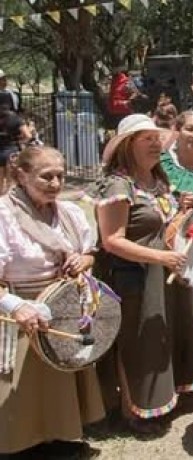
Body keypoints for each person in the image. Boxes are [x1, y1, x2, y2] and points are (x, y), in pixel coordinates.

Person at [92, 114, 193, 434]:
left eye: (156, 138)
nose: (155, 144)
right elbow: (112, 240)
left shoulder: (157, 180)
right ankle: (130, 410)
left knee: (155, 338)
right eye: (145, 138)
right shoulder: (118, 185)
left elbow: (158, 225)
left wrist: (181, 211)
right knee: (132, 341)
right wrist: (161, 257)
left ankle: (157, 398)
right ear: (127, 145)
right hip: (129, 275)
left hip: (157, 272)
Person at [0, 146, 103, 457]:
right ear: (21, 175)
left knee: (59, 382)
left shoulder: (68, 213)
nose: (56, 183)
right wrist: (16, 307)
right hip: (19, 306)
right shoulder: (4, 215)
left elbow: (90, 253)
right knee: (23, 385)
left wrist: (84, 261)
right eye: (46, 177)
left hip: (62, 305)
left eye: (60, 176)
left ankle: (59, 437)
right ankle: (18, 444)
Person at [0, 109, 22, 195]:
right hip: (11, 150)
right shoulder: (15, 119)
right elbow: (28, 135)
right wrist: (19, 140)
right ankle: (9, 203)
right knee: (11, 181)